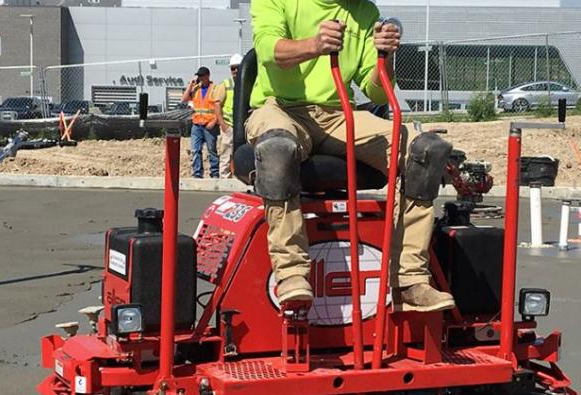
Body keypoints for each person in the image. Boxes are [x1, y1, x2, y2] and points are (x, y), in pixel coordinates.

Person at [248, 0, 454, 312]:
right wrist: (315, 44)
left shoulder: (364, 11)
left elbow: (377, 93)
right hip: (278, 108)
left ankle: (409, 281)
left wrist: (385, 57)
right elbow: (269, 51)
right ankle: (291, 274)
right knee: (279, 149)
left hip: (337, 113)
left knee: (424, 150)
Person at [182, 66, 221, 178]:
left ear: (208, 76)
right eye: (198, 76)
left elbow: (219, 107)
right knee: (195, 150)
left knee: (212, 151)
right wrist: (190, 85)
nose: (200, 78)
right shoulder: (196, 89)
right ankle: (197, 174)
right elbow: (184, 99)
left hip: (209, 125)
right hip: (197, 125)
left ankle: (214, 173)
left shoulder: (215, 89)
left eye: (202, 76)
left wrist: (214, 121)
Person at [214, 54, 243, 178]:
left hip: (242, 126)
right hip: (229, 125)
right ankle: (224, 178)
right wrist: (223, 124)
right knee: (226, 153)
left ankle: (240, 177)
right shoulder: (225, 84)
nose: (235, 70)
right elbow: (217, 105)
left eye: (238, 67)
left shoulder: (247, 82)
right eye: (233, 68)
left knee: (241, 153)